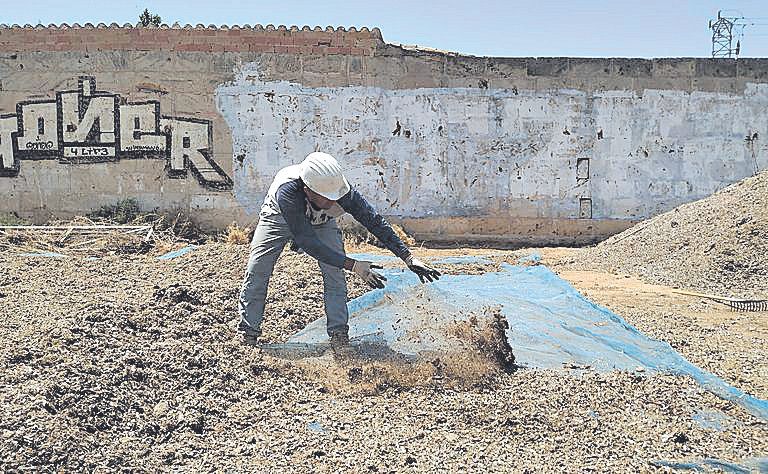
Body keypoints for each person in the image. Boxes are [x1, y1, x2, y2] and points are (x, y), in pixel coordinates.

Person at [238, 152, 441, 347]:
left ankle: (338, 334)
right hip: (279, 218)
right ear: (308, 190)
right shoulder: (287, 192)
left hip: (321, 221)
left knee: (334, 274)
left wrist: (407, 257)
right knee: (258, 270)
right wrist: (353, 265)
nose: (334, 202)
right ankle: (248, 332)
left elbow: (373, 221)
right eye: (327, 197)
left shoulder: (340, 191)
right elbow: (308, 241)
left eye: (336, 196)